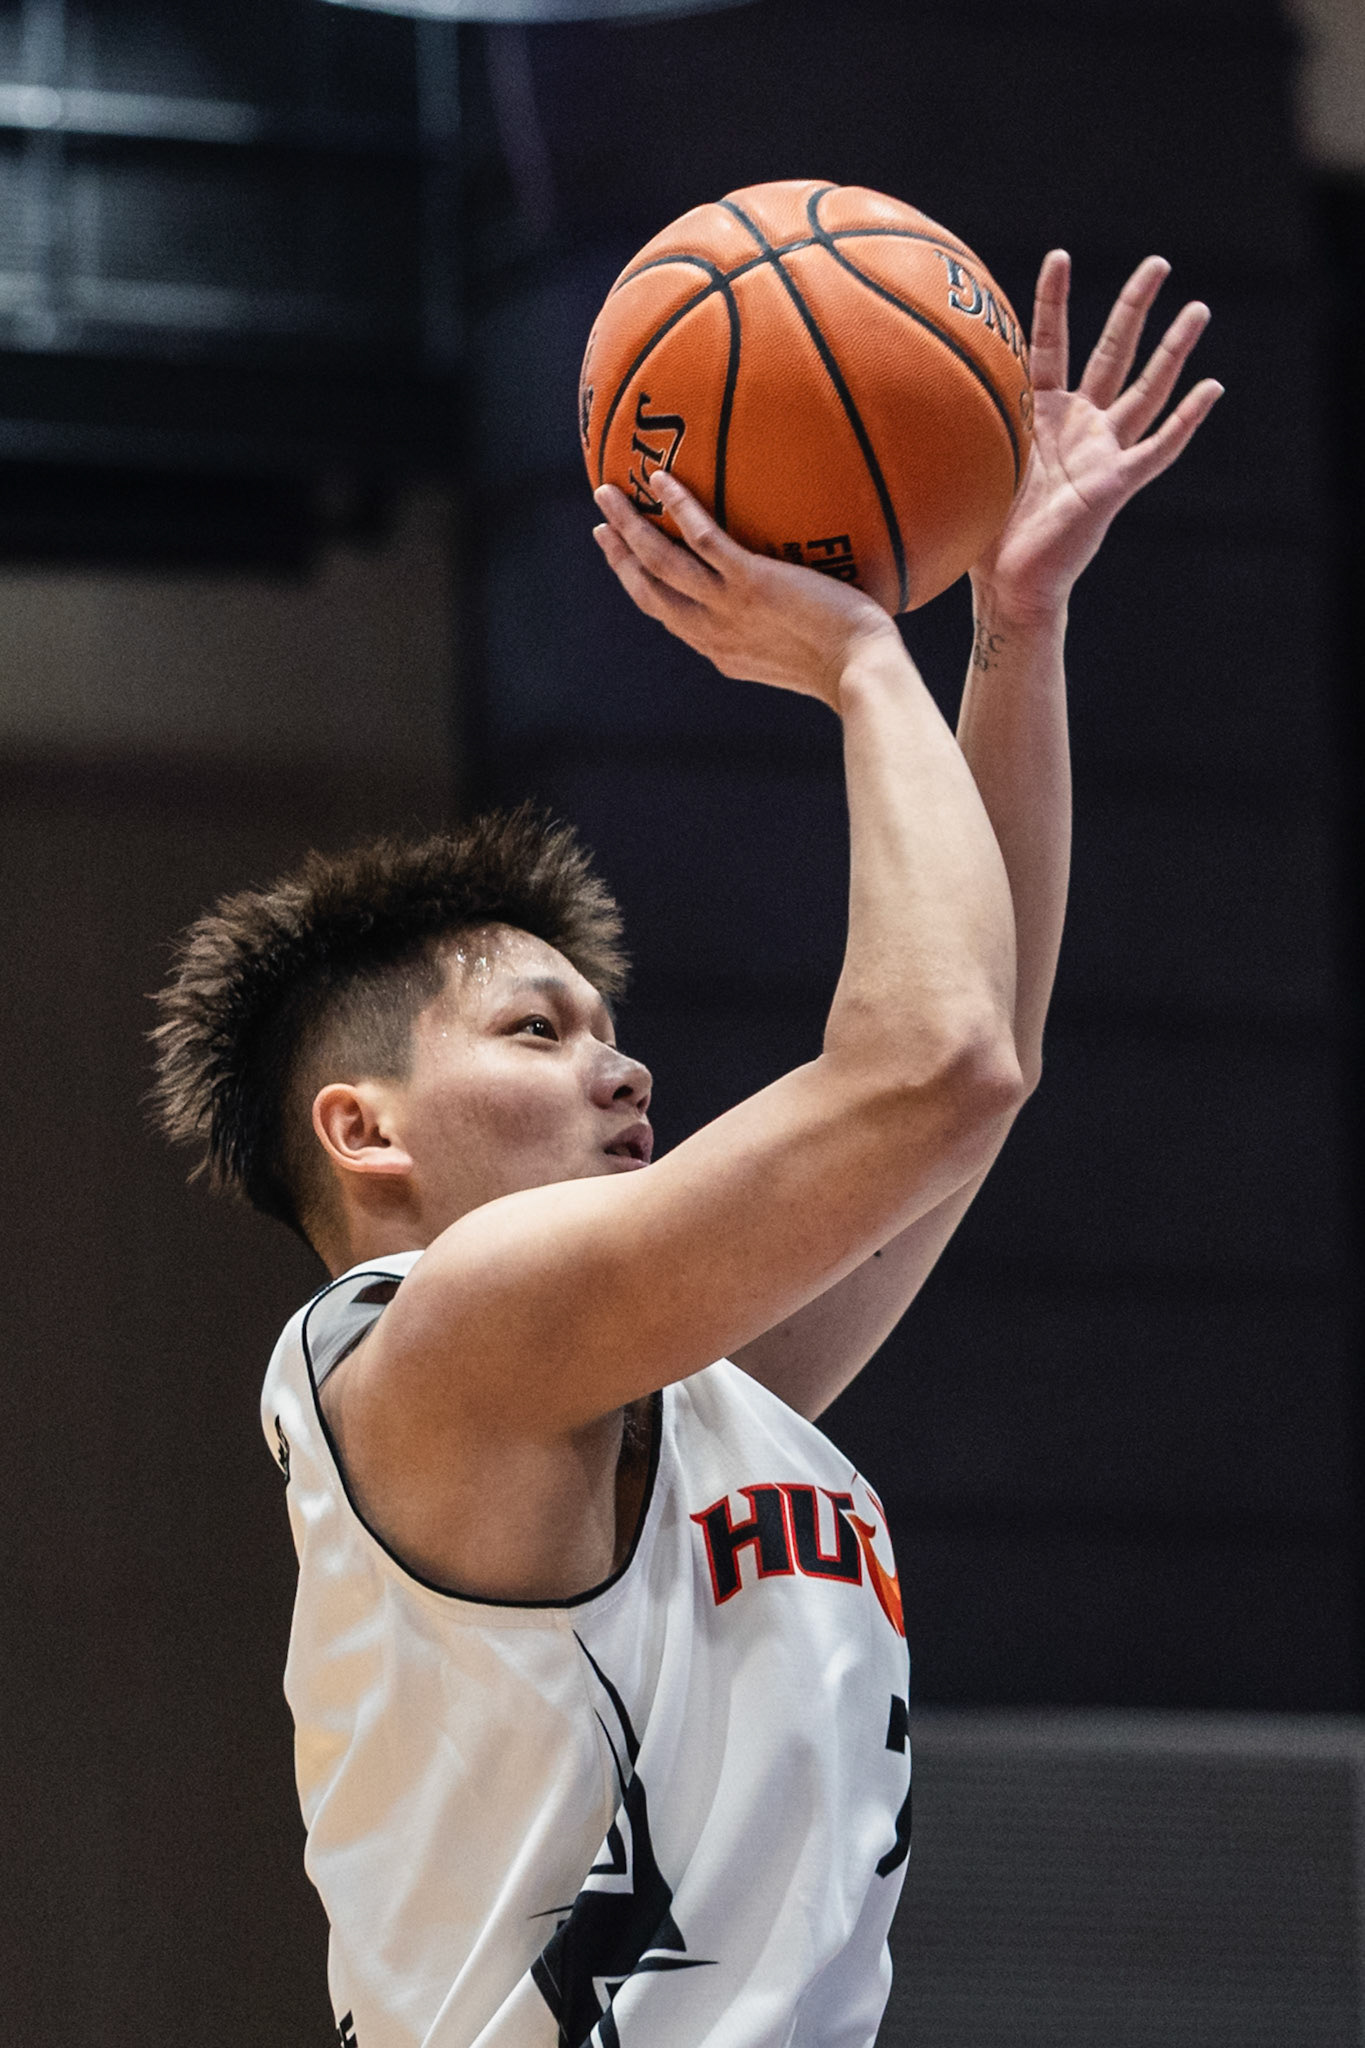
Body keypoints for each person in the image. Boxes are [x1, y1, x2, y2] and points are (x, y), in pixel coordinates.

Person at [152, 253, 1219, 2048]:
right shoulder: (444, 1339)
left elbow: (984, 1062)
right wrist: (860, 659)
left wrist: (1010, 634)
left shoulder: (653, 1392)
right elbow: (934, 1063)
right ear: (365, 1130)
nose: (623, 1066)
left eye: (606, 1023)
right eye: (537, 1030)